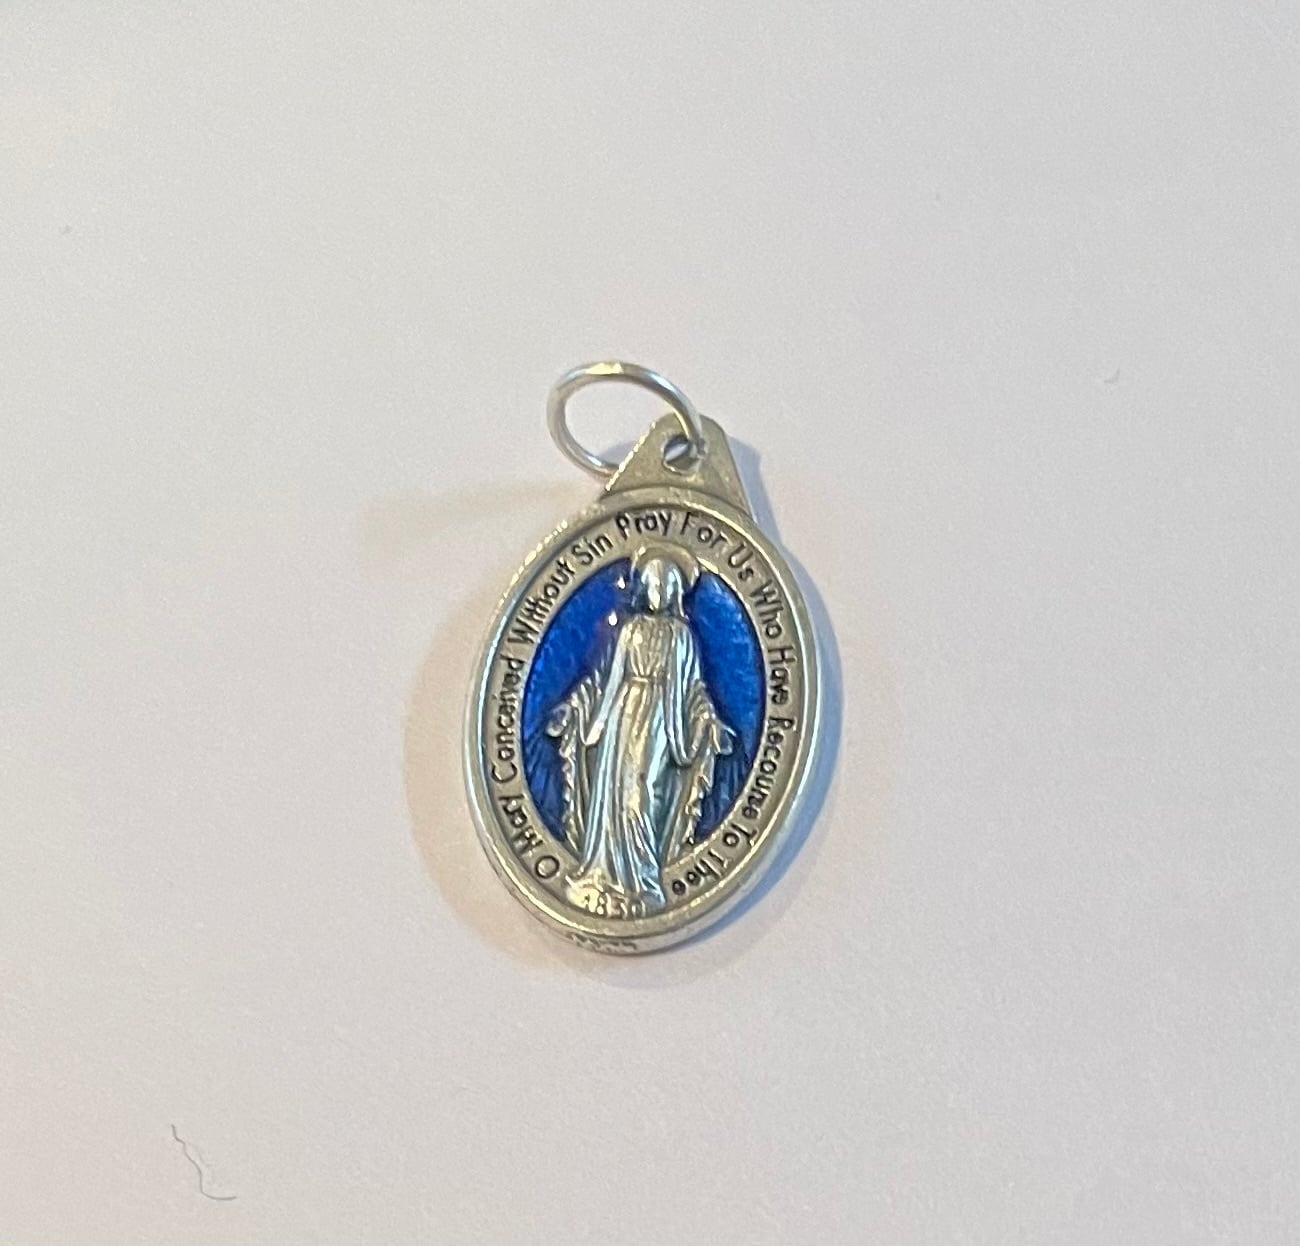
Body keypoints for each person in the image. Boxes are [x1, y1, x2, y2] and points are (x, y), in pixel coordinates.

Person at [546, 545, 734, 918]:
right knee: (612, 792)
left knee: (640, 792)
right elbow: (612, 679)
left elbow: (692, 688)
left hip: (661, 718)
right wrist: (592, 725)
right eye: (653, 583)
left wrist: (703, 724)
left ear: (676, 591)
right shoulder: (630, 630)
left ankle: (643, 878)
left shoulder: (681, 636)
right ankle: (606, 875)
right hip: (623, 714)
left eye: (666, 585)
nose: (658, 591)